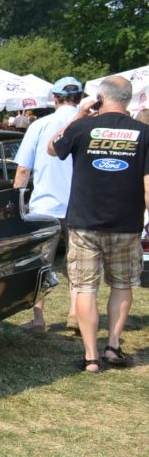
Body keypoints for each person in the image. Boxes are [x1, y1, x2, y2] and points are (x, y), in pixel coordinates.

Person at [48, 75, 149, 372]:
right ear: (128, 100)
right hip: (127, 223)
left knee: (85, 288)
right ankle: (112, 347)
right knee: (122, 285)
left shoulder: (82, 127)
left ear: (100, 98)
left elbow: (53, 148)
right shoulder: (145, 133)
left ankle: (91, 357)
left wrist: (79, 115)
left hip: (84, 223)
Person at [13, 76, 85, 334]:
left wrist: (16, 202)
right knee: (78, 265)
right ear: (80, 97)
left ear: (54, 98)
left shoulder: (40, 125)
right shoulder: (90, 124)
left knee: (40, 264)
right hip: (82, 206)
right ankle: (76, 314)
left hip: (45, 206)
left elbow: (23, 169)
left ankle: (39, 318)